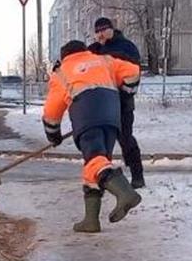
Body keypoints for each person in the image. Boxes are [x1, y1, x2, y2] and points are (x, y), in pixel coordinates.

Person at [43, 40, 142, 233]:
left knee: (95, 159)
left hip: (86, 115)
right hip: (112, 117)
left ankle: (125, 193)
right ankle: (91, 221)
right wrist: (124, 94)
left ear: (64, 56)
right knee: (96, 163)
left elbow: (51, 112)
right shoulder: (104, 60)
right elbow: (133, 73)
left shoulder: (62, 72)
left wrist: (53, 135)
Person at [89, 17, 145, 189]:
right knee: (103, 142)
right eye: (97, 31)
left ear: (111, 29)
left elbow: (134, 72)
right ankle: (105, 178)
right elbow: (79, 61)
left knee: (125, 138)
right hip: (102, 104)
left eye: (103, 30)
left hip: (122, 102)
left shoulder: (126, 47)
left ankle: (137, 175)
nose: (100, 35)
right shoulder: (95, 50)